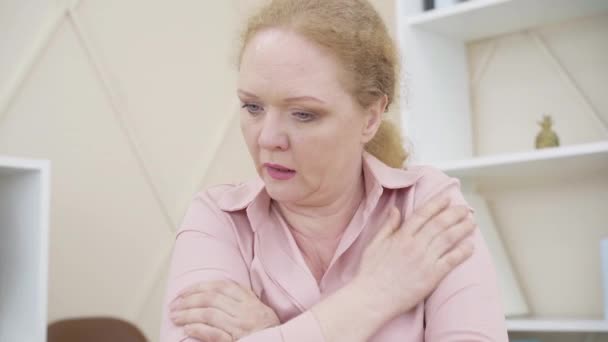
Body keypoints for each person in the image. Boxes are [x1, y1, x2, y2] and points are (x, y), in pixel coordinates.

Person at [160, 0, 508, 341]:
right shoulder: (218, 219)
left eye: (303, 114)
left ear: (370, 118)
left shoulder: (427, 206)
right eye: (252, 107)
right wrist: (374, 294)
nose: (267, 138)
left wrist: (268, 333)